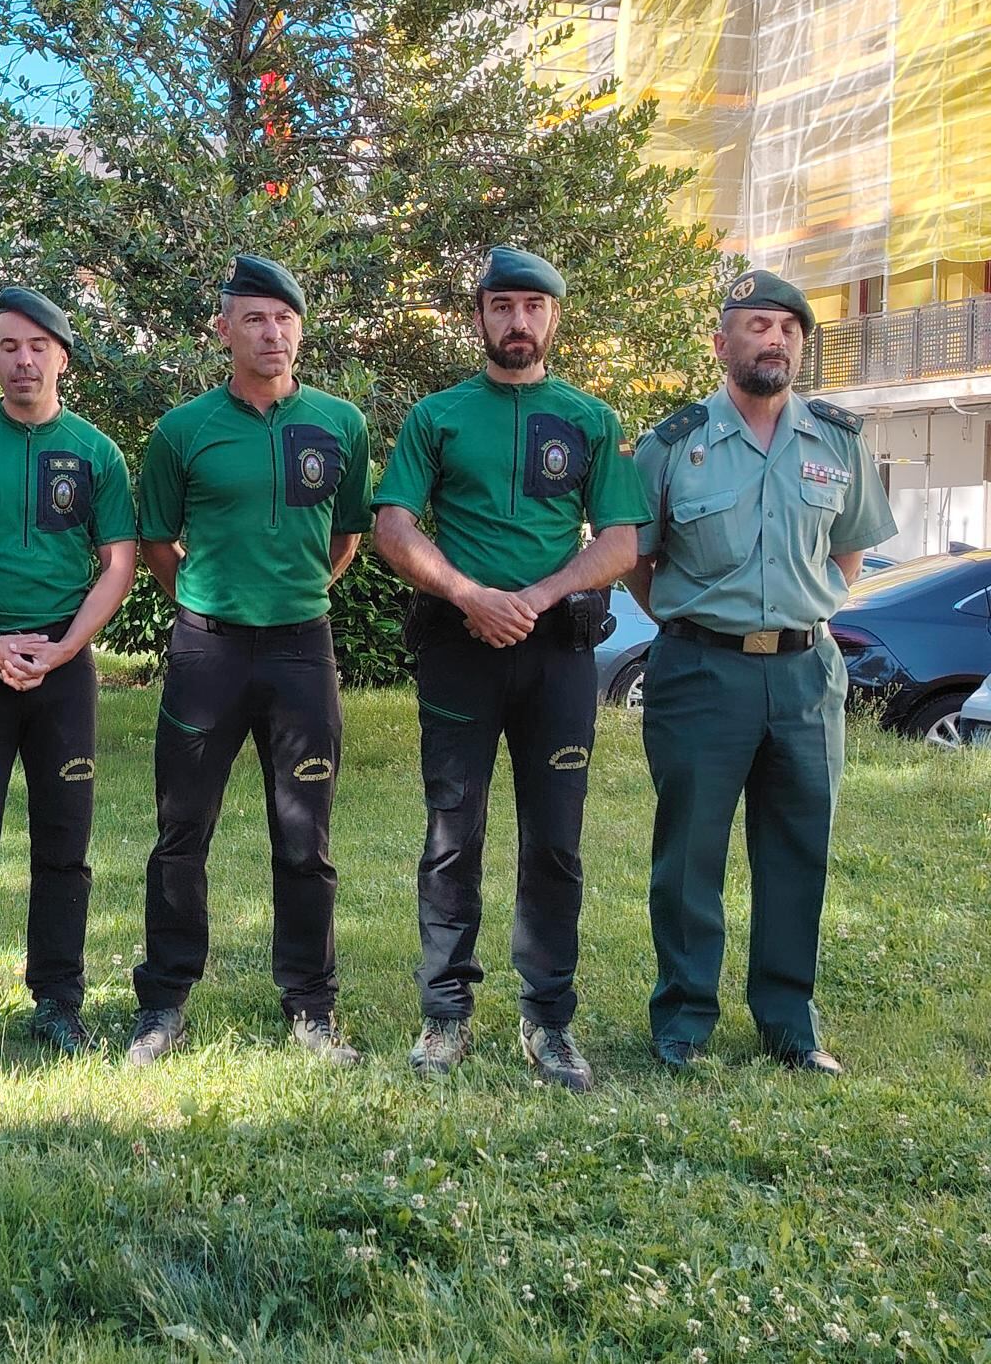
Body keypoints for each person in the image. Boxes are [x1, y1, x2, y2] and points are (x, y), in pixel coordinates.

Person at [371, 245, 649, 1092]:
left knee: (555, 844)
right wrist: (471, 596)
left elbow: (620, 542)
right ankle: (445, 1016)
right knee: (453, 833)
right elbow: (392, 528)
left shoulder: (592, 421)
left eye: (533, 306)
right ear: (481, 316)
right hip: (462, 649)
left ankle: (549, 1022)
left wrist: (537, 593)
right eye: (502, 306)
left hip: (559, 655)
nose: (517, 321)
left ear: (553, 318)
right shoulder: (439, 416)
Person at [627, 269, 894, 1075]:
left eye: (787, 328)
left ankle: (789, 1025)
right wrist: (694, 613)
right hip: (701, 670)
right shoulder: (671, 444)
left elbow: (848, 550)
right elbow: (638, 560)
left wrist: (800, 612)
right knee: (689, 855)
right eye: (756, 325)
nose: (773, 339)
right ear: (722, 343)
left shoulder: (839, 440)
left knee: (797, 849)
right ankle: (682, 1021)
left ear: (800, 346)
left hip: (808, 676)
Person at [128, 255, 373, 1067]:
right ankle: (163, 1004)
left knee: (306, 837)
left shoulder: (340, 424)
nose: (274, 334)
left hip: (304, 650)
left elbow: (347, 539)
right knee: (180, 831)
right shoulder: (183, 430)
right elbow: (159, 542)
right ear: (224, 330)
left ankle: (311, 1006)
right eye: (256, 319)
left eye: (286, 319)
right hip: (208, 651)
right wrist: (205, 600)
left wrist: (294, 592)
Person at [0, 287, 137, 1069]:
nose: (22, 360)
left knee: (65, 842)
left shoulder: (98, 453)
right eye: (8, 346)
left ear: (62, 357)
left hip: (64, 676)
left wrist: (68, 647)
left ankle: (58, 1000)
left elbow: (118, 564)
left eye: (37, 346)